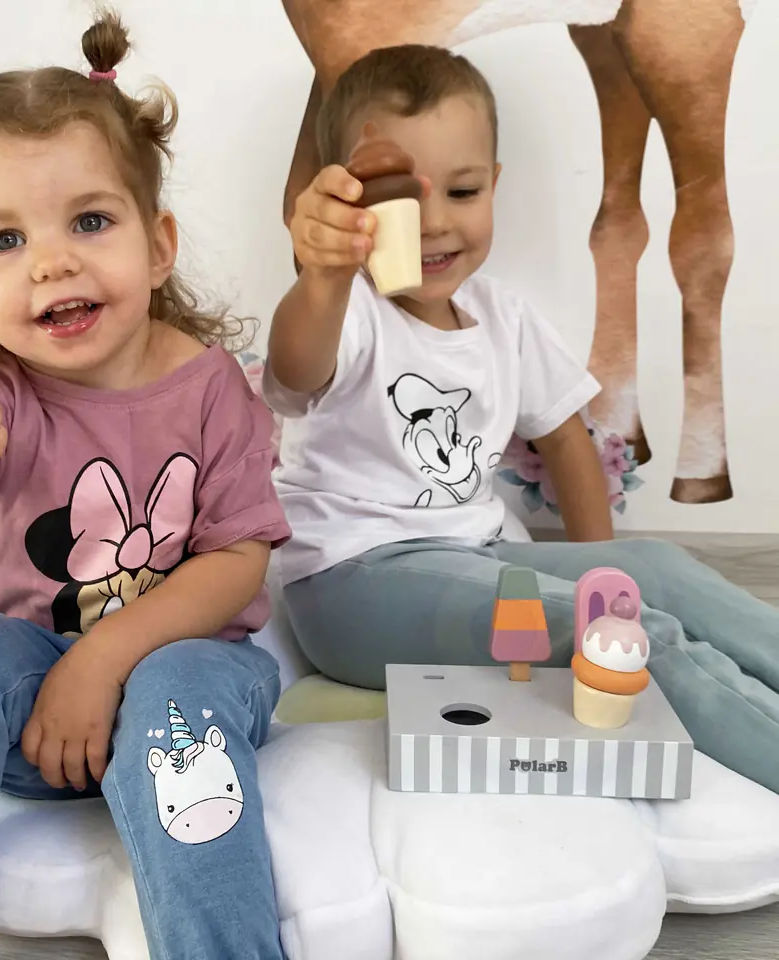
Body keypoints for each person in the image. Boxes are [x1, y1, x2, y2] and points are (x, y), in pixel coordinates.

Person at [0, 12, 289, 959]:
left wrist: (104, 662)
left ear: (157, 244)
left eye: (90, 221)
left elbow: (238, 562)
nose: (52, 261)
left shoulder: (211, 386)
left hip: (192, 694)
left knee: (174, 683)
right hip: (41, 713)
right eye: (6, 239)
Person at [264, 44, 779, 795]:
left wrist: (604, 570)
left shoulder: (501, 315)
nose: (435, 223)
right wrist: (323, 274)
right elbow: (295, 368)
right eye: (401, 201)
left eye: (463, 191)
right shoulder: (350, 311)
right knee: (626, 634)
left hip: (474, 560)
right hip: (352, 586)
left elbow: (566, 439)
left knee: (658, 572)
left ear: (495, 185)